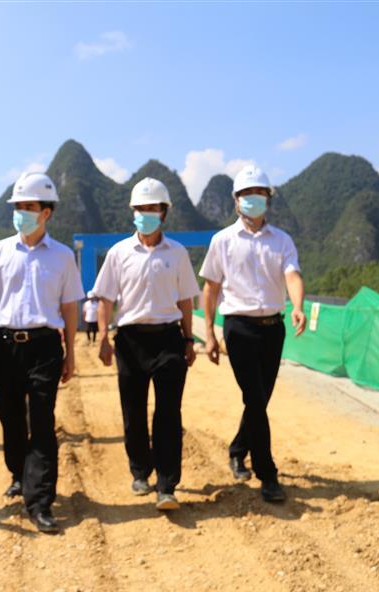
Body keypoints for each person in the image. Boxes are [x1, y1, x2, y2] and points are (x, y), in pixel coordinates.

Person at [0, 172, 85, 534]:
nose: (21, 212)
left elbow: (70, 308)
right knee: (11, 419)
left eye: (29, 206)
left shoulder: (63, 257)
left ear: (46, 212)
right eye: (18, 206)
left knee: (42, 421)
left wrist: (70, 352)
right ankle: (19, 474)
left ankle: (40, 502)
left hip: (45, 347)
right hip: (6, 346)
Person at [92, 178, 200, 511]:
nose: (145, 214)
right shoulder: (119, 253)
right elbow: (105, 298)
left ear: (163, 212)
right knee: (133, 411)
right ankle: (140, 471)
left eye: (152, 208)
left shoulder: (177, 253)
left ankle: (167, 485)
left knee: (168, 413)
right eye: (140, 208)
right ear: (133, 212)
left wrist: (188, 339)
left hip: (168, 339)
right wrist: (102, 338)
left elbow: (185, 300)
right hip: (130, 340)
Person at [199, 165, 306, 503]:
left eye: (259, 193)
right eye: (246, 194)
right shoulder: (222, 241)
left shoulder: (282, 241)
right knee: (256, 398)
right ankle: (267, 474)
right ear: (235, 200)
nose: (252, 199)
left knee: (259, 398)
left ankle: (237, 449)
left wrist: (298, 305)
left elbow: (292, 275)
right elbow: (210, 289)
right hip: (239, 328)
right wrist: (210, 333)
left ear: (268, 199)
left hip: (273, 329)